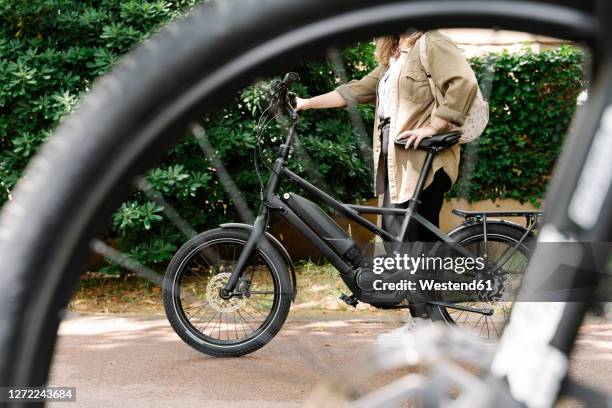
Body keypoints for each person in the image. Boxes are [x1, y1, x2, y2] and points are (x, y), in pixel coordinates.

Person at [295, 30, 479, 347]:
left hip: (423, 161)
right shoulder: (396, 55)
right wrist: (306, 104)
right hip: (396, 162)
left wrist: (434, 125)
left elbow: (463, 83)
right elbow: (356, 90)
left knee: (406, 240)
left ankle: (423, 324)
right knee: (403, 241)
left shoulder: (431, 43)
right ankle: (424, 322)